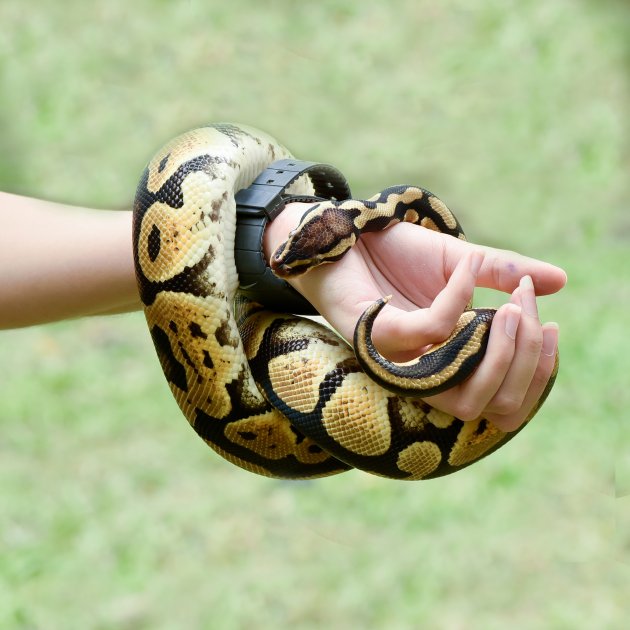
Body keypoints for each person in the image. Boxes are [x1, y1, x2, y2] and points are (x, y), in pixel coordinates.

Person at [0, 191, 565, 432]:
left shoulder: (352, 228)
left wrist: (264, 231)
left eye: (311, 255)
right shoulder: (349, 225)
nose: (292, 263)